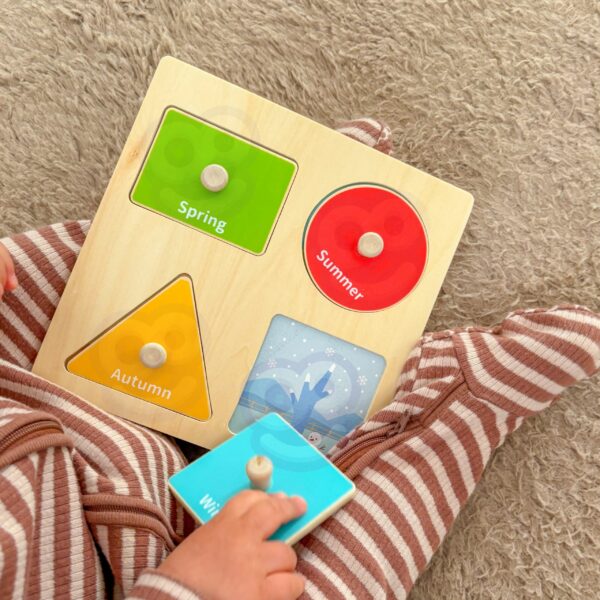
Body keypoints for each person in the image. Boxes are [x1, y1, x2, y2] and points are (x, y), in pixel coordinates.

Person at [0, 119, 598, 600]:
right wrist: (192, 590)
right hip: (128, 562)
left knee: (100, 269)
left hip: (28, 401)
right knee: (326, 567)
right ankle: (458, 404)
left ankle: (288, 211)